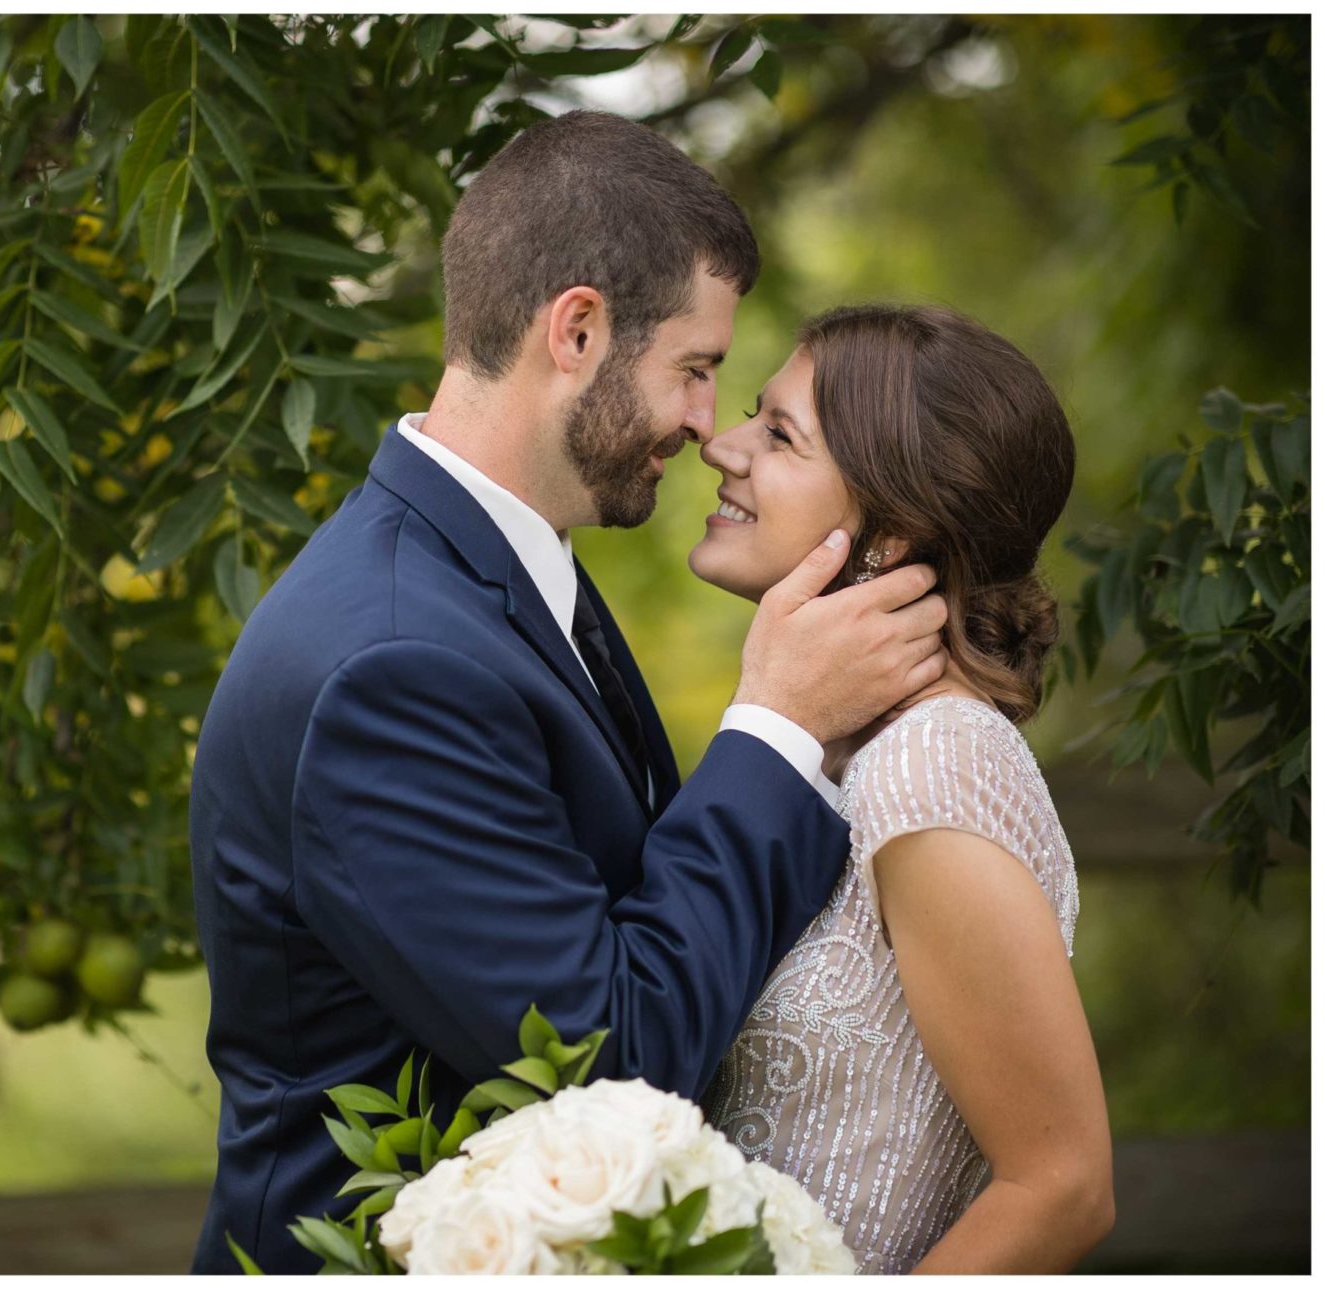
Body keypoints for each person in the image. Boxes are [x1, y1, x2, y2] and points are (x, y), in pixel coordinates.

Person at [186, 110, 950, 1274]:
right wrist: (779, 723)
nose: (707, 426)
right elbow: (609, 1056)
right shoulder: (391, 666)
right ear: (579, 331)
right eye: (694, 370)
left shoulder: (496, 573)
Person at [694, 304, 1114, 1273]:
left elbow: (1062, 1186)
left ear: (897, 527)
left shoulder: (934, 764)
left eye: (779, 433)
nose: (722, 445)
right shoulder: (849, 751)